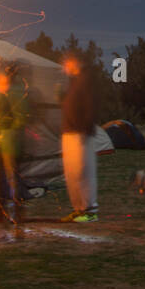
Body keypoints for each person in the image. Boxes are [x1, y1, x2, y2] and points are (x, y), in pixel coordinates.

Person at [59, 55, 99, 223]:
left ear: (75, 62)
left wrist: (85, 128)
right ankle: (79, 209)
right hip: (69, 132)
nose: (64, 67)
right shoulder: (74, 82)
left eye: (66, 63)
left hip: (80, 133)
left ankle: (90, 211)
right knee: (72, 174)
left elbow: (91, 105)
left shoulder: (86, 80)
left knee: (84, 172)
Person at [0, 62, 30, 224]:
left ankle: (19, 213)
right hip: (2, 142)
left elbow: (20, 119)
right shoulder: (6, 93)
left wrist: (7, 131)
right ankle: (1, 212)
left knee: (13, 178)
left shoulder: (15, 92)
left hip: (11, 143)